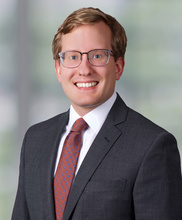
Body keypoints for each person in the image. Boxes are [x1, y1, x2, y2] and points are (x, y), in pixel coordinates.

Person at [12, 7, 182, 220]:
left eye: (97, 56)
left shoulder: (153, 145)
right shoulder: (35, 139)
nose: (84, 69)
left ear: (118, 67)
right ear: (58, 69)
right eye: (73, 57)